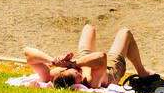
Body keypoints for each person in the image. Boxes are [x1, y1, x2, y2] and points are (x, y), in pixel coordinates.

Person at [23, 23, 155, 89]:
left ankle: (143, 72)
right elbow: (102, 57)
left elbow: (27, 53)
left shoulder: (51, 76)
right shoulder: (90, 80)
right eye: (78, 75)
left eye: (74, 71)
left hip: (83, 60)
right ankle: (142, 72)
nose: (79, 73)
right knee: (125, 33)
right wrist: (74, 64)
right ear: (78, 83)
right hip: (108, 69)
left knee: (88, 28)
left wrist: (53, 61)